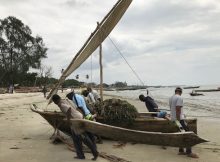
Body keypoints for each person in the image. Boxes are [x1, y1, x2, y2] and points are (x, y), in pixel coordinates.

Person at [52, 94, 98, 160]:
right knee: (76, 139)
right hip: (77, 118)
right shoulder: (66, 100)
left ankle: (95, 152)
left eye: (54, 102)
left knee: (84, 138)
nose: (54, 103)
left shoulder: (61, 104)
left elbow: (68, 109)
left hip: (76, 121)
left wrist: (68, 120)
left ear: (55, 100)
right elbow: (74, 107)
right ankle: (80, 155)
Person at [169, 87, 198, 158]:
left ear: (175, 91)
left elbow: (172, 109)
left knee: (180, 134)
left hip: (173, 119)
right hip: (179, 120)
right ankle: (189, 152)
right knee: (188, 134)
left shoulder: (171, 98)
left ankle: (181, 151)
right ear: (180, 92)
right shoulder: (179, 98)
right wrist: (179, 119)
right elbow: (178, 109)